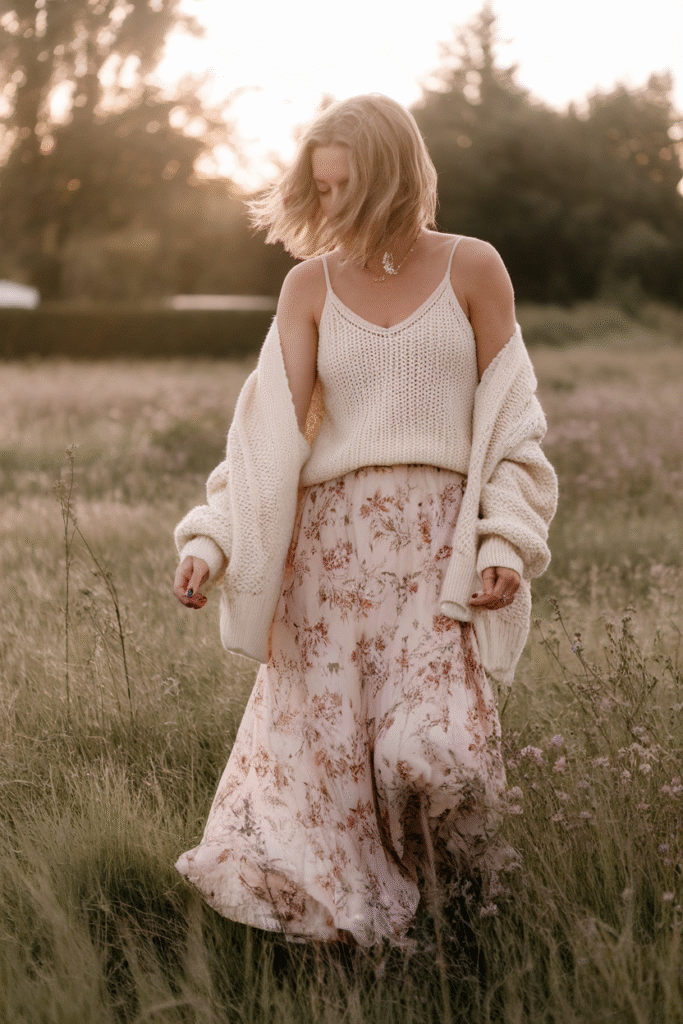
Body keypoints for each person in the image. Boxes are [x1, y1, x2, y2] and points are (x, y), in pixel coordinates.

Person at [172, 94, 558, 948]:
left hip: (435, 555)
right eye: (322, 188)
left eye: (347, 187)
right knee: (332, 778)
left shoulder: (474, 268)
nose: (332, 206)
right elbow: (265, 435)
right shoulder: (308, 285)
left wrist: (503, 539)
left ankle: (464, 914)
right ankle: (369, 942)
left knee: (435, 754)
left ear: (392, 177)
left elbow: (513, 423)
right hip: (327, 569)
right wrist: (210, 537)